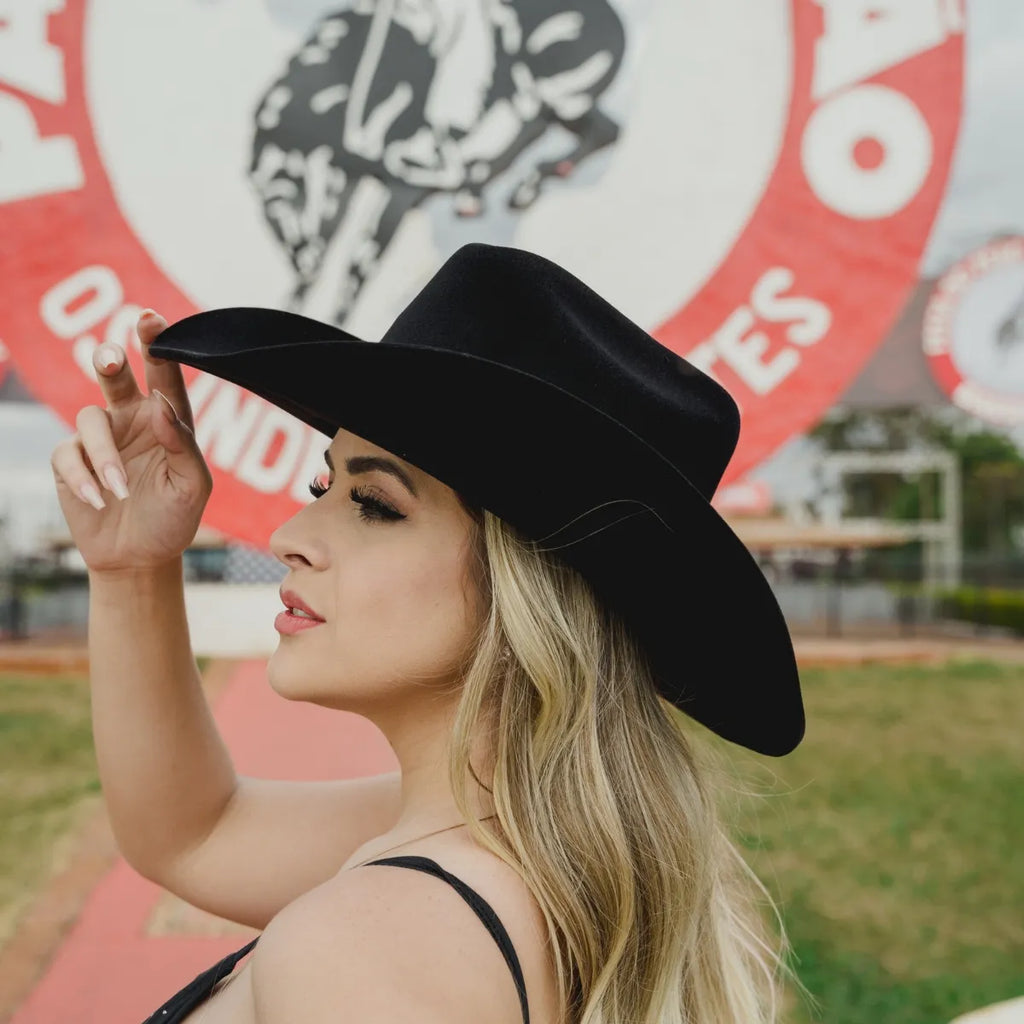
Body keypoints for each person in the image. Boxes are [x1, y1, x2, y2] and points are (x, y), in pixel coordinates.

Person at [51, 243, 809, 1024]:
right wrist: (132, 568)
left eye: (374, 504)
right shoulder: (535, 842)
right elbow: (195, 836)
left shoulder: (363, 948)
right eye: (323, 484)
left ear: (526, 590)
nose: (289, 536)